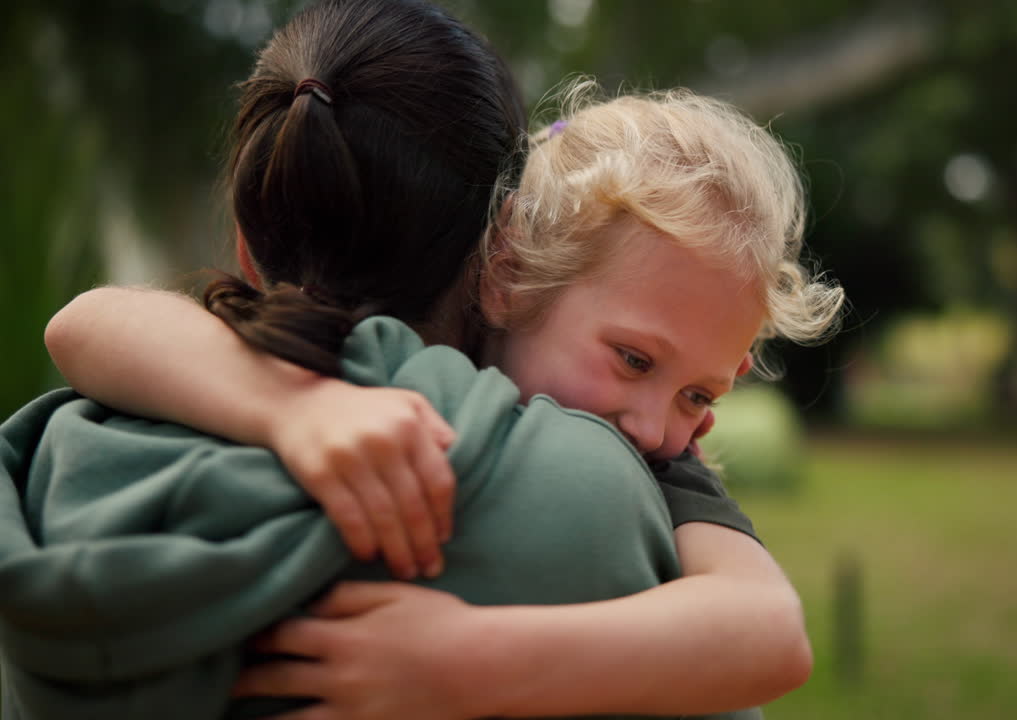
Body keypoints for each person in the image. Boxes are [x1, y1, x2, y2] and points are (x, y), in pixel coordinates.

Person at [12, 3, 841, 720]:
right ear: (504, 265)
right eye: (631, 360)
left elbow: (770, 628)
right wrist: (293, 411)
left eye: (699, 393)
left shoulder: (76, 463)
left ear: (247, 244)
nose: (660, 426)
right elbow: (85, 322)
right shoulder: (591, 495)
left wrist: (464, 659)